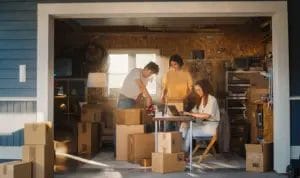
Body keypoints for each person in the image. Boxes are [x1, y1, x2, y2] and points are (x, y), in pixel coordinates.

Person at [181, 79, 220, 152]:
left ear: (205, 88)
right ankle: (180, 149)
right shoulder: (201, 99)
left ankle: (184, 152)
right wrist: (185, 113)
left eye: (199, 90)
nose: (197, 92)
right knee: (184, 125)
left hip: (210, 128)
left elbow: (206, 116)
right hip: (202, 125)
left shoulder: (212, 99)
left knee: (190, 130)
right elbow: (195, 111)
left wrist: (190, 114)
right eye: (196, 90)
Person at [161, 54, 193, 130]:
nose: (173, 66)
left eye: (175, 64)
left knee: (180, 126)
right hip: (169, 102)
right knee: (168, 124)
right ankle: (168, 141)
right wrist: (162, 95)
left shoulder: (186, 74)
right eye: (171, 64)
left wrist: (184, 98)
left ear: (180, 64)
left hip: (182, 103)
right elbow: (164, 87)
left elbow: (191, 89)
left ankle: (179, 140)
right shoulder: (168, 74)